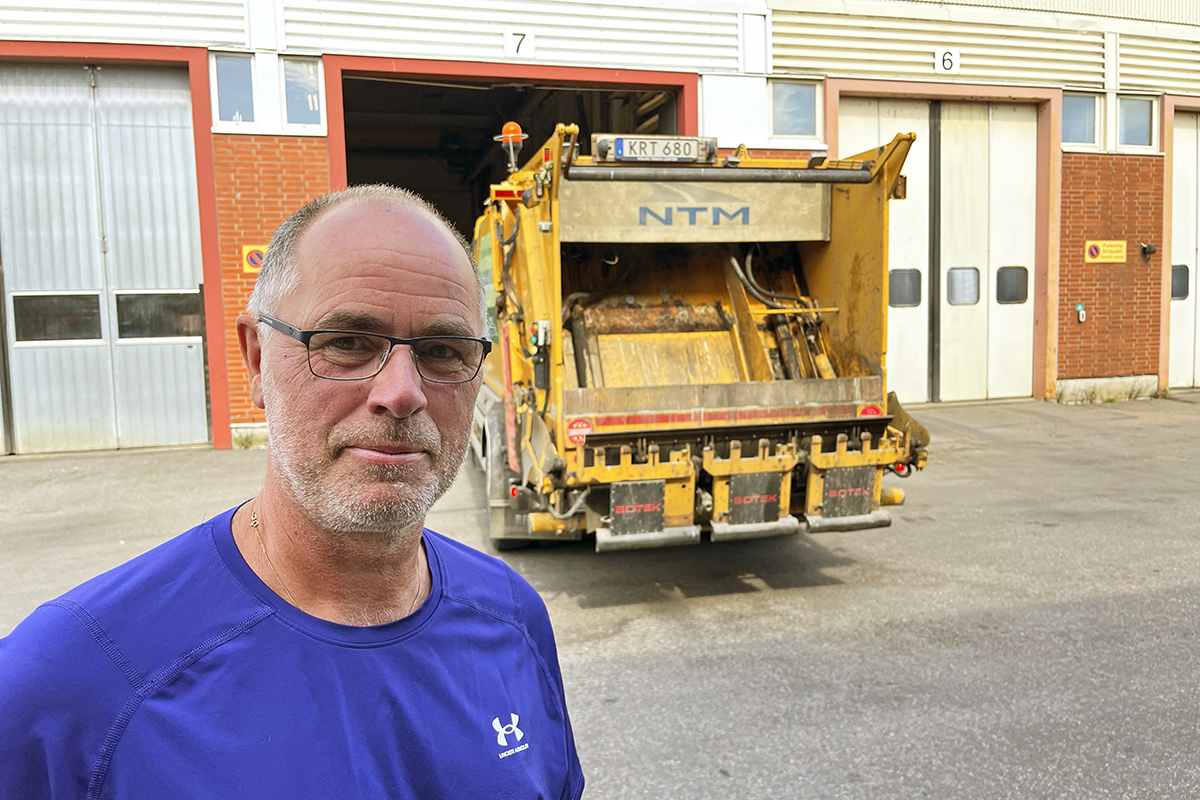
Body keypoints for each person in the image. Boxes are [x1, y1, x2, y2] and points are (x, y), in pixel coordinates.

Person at [0, 185, 584, 798]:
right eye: (348, 342)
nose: (403, 392)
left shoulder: (514, 619)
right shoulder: (71, 684)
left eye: (443, 351)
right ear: (256, 360)